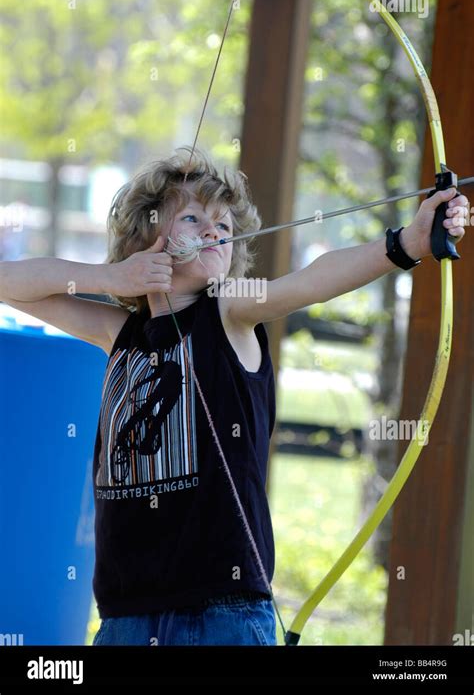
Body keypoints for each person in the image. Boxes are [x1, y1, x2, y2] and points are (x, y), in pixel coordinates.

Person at [0, 146, 467, 645]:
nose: (214, 232)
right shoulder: (119, 332)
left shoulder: (228, 312)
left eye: (224, 226)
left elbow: (312, 282)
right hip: (127, 616)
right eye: (194, 217)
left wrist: (409, 243)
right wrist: (108, 277)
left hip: (221, 613)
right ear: (146, 234)